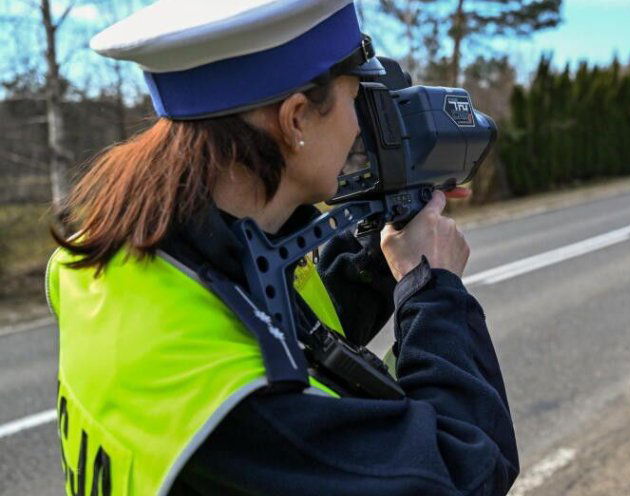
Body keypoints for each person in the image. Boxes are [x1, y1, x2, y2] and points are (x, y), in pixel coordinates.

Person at [45, 0, 518, 494]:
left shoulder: (101, 262)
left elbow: (284, 333)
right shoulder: (244, 401)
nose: (361, 126)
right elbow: (462, 468)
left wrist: (376, 260)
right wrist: (433, 290)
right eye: (357, 99)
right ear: (296, 119)